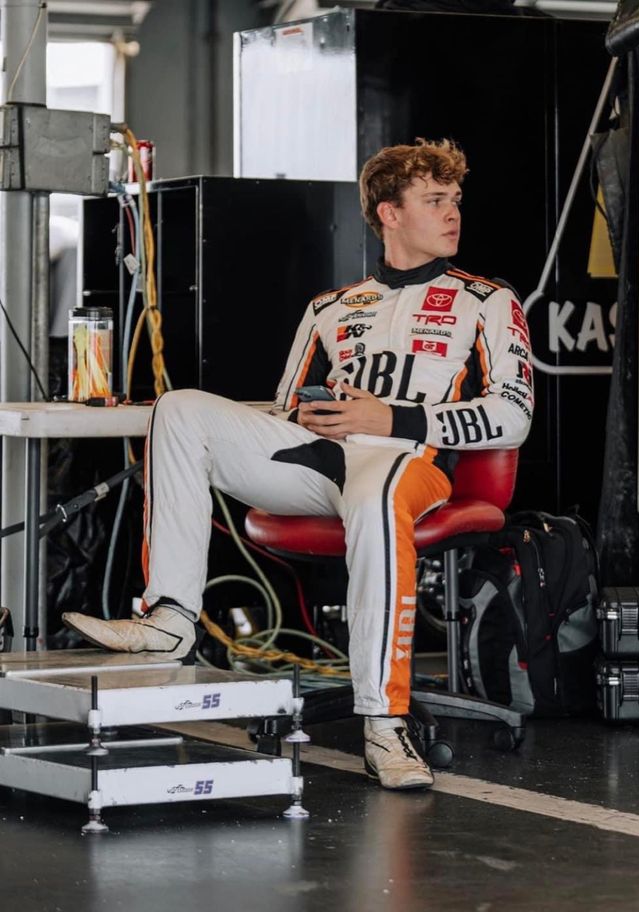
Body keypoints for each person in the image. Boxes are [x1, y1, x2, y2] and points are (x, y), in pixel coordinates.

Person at [63, 139, 534, 790]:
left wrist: (389, 419)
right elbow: (286, 407)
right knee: (179, 408)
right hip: (320, 462)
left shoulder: (487, 301)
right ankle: (170, 618)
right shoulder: (330, 310)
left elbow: (514, 416)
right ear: (390, 214)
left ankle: (384, 720)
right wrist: (307, 417)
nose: (453, 212)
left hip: (410, 460)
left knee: (375, 493)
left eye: (456, 200)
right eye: (435, 201)